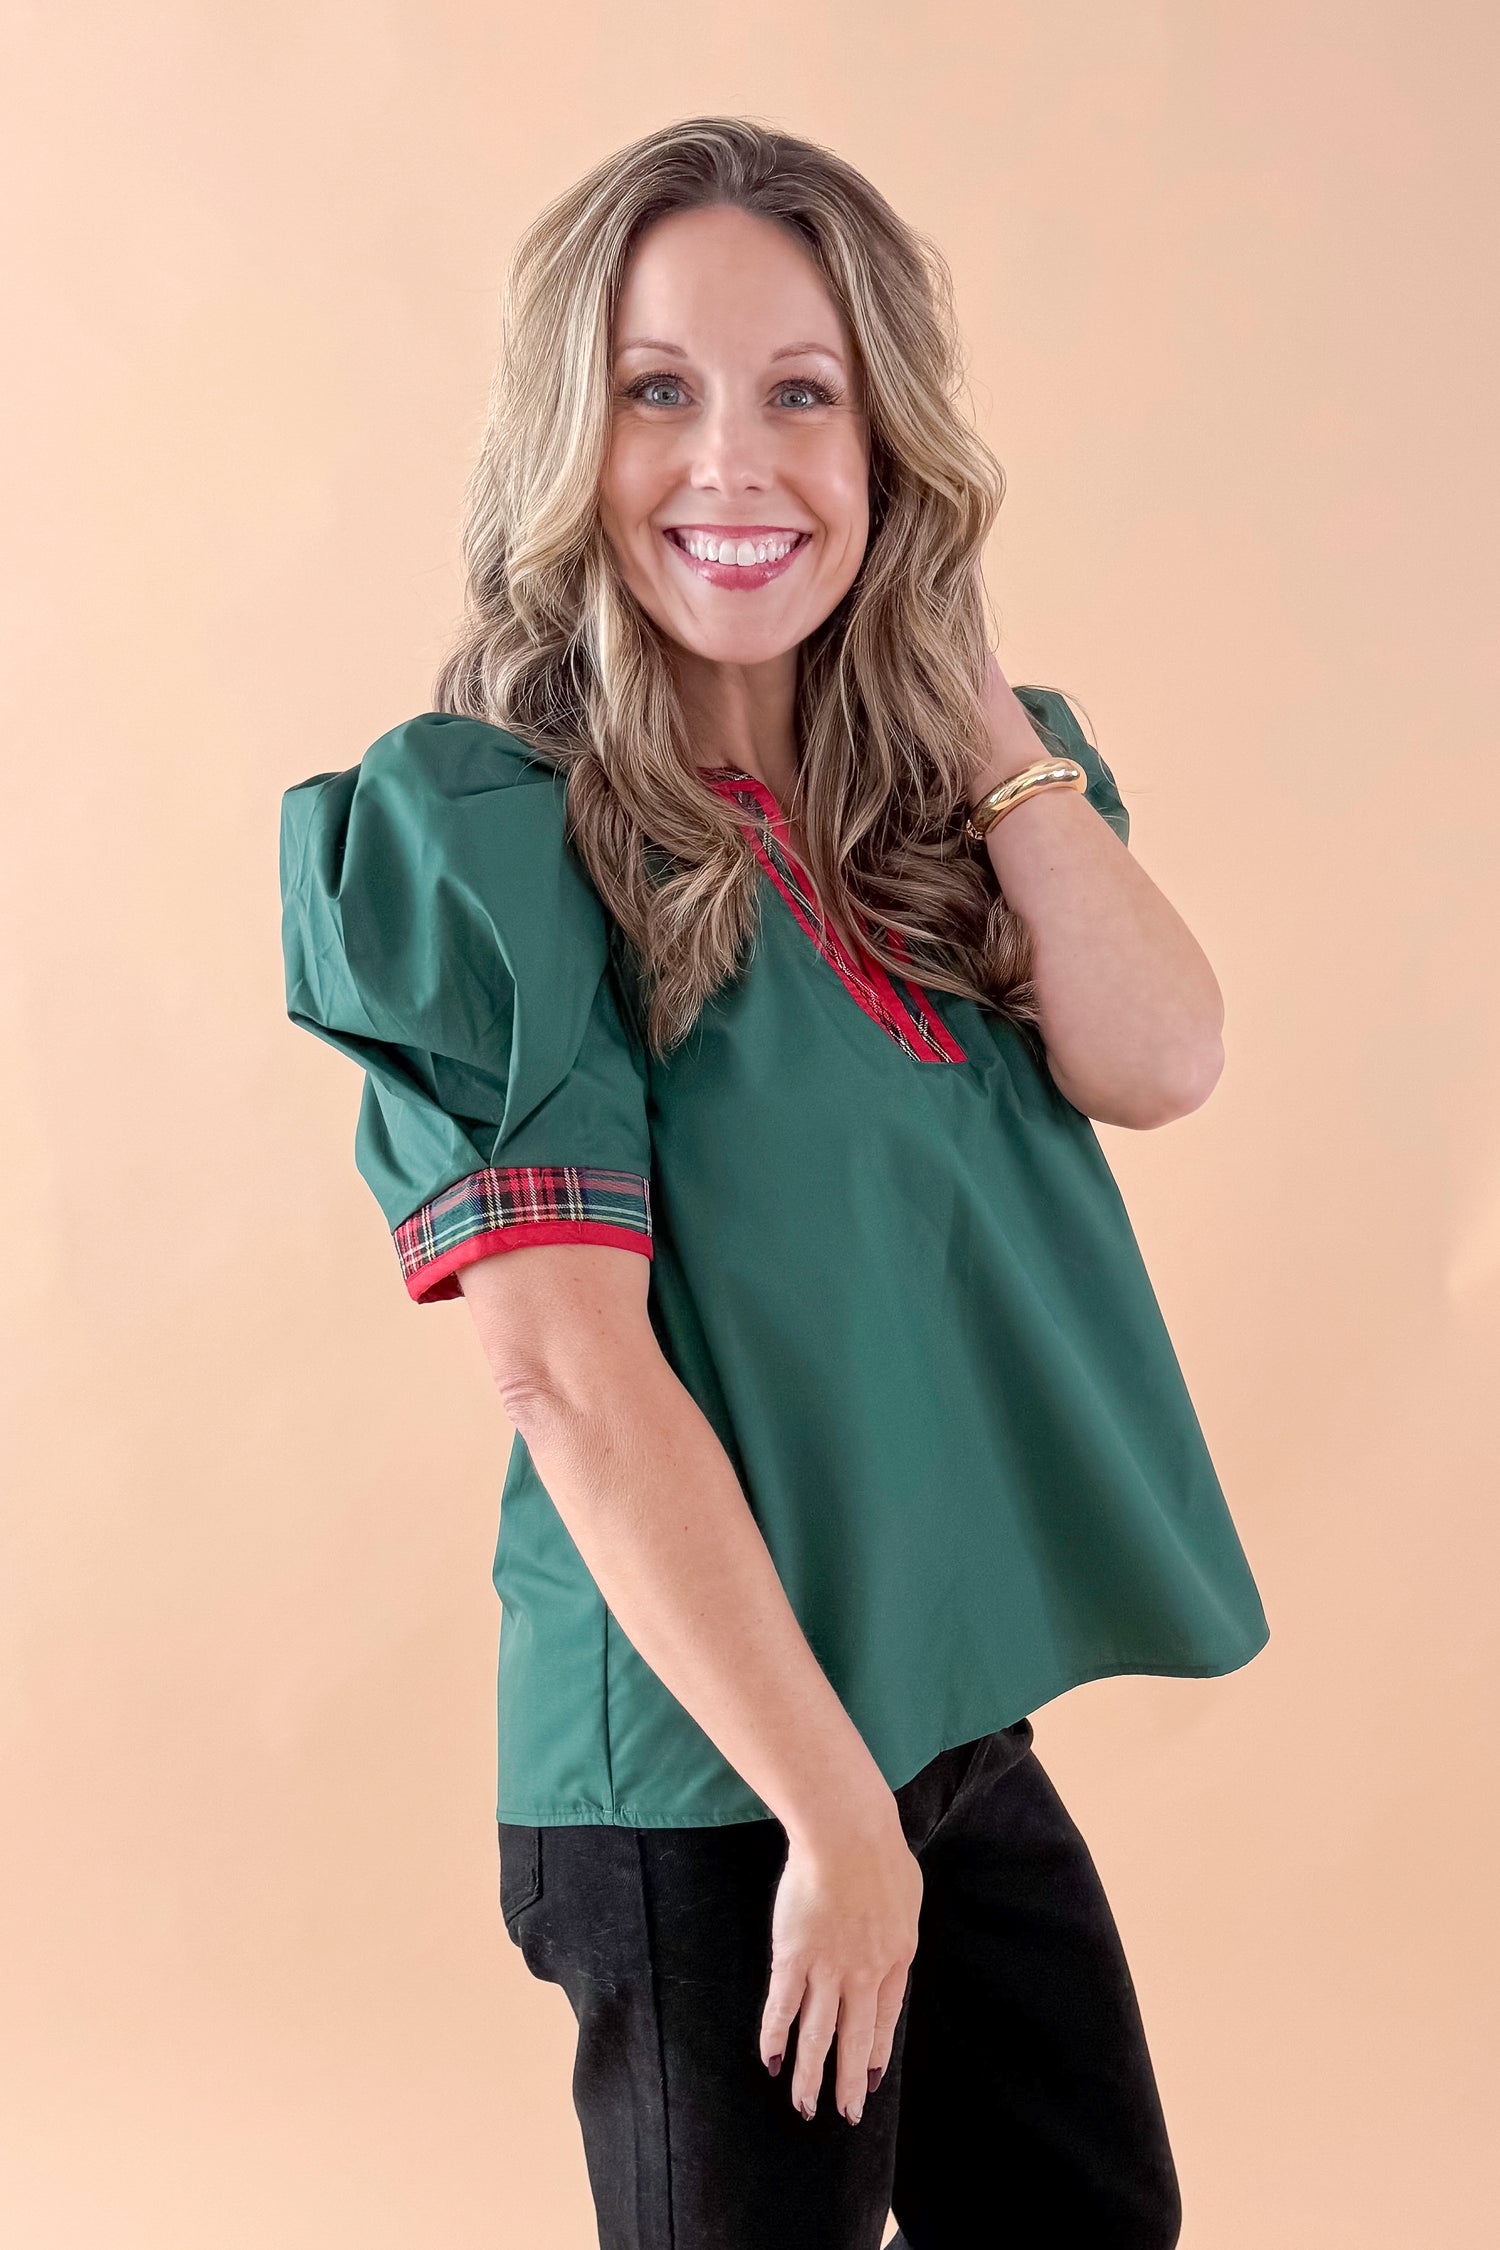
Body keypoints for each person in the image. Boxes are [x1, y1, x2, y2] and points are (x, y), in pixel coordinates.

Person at [279, 115, 1269, 2250]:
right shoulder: (484, 838)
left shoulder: (953, 803)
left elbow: (1164, 1054)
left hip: (938, 1731)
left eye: (804, 394)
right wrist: (831, 1816)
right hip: (710, 1775)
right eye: (659, 391)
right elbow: (569, 1381)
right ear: (575, 434)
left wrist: (964, 685)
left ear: (890, 439)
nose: (732, 460)